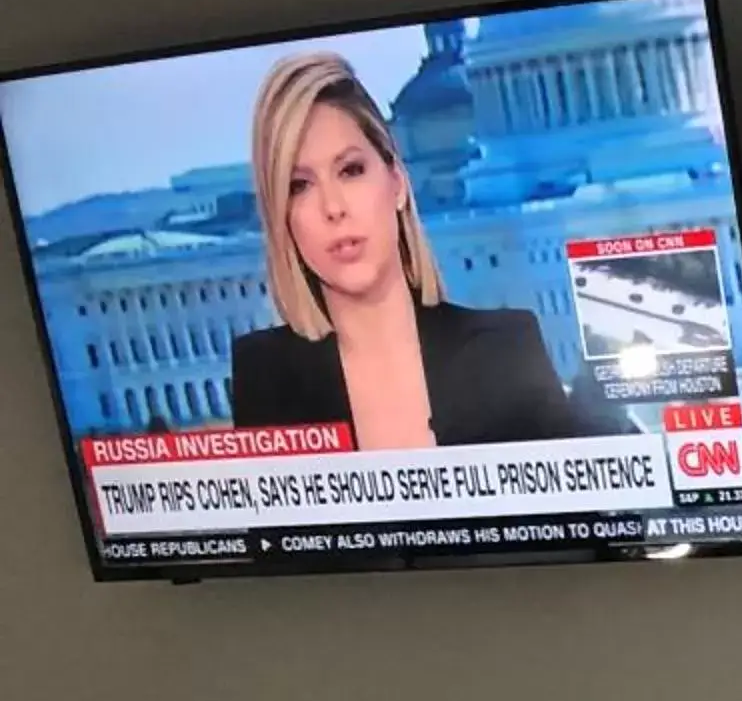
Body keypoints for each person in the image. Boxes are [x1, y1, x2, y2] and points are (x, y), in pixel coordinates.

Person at [229, 54, 625, 444]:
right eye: (299, 186)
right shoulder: (266, 375)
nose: (333, 208)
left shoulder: (504, 347)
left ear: (397, 183)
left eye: (350, 170)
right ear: (280, 216)